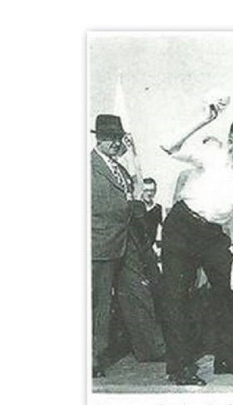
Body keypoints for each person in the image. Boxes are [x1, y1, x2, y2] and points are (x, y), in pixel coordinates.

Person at [159, 103, 233, 385]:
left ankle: (228, 359)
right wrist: (203, 118)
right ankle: (180, 368)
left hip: (212, 234)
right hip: (182, 226)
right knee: (176, 296)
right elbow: (168, 145)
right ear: (230, 144)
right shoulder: (211, 156)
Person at [90, 114, 133, 377]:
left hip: (123, 245)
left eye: (119, 138)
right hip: (98, 246)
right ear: (99, 139)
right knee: (98, 304)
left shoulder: (120, 168)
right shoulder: (87, 166)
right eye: (111, 139)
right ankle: (93, 358)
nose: (117, 143)